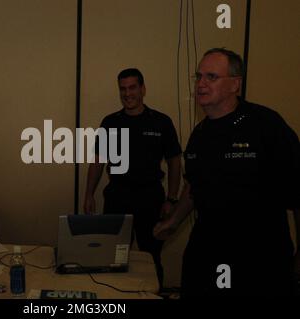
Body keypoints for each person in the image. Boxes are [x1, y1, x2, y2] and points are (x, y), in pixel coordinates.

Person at [154, 48, 300, 297]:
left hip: (260, 256)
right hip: (207, 251)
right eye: (198, 76)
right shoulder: (199, 135)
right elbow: (194, 186)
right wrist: (173, 221)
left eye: (211, 77)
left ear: (235, 84)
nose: (201, 84)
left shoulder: (266, 125)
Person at [84, 68, 182, 289]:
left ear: (143, 89)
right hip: (118, 197)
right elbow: (98, 161)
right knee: (113, 256)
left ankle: (154, 294)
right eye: (123, 89)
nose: (128, 94)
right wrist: (89, 194)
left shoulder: (161, 122)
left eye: (132, 87)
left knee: (152, 257)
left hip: (151, 199)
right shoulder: (110, 122)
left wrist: (172, 199)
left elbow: (175, 161)